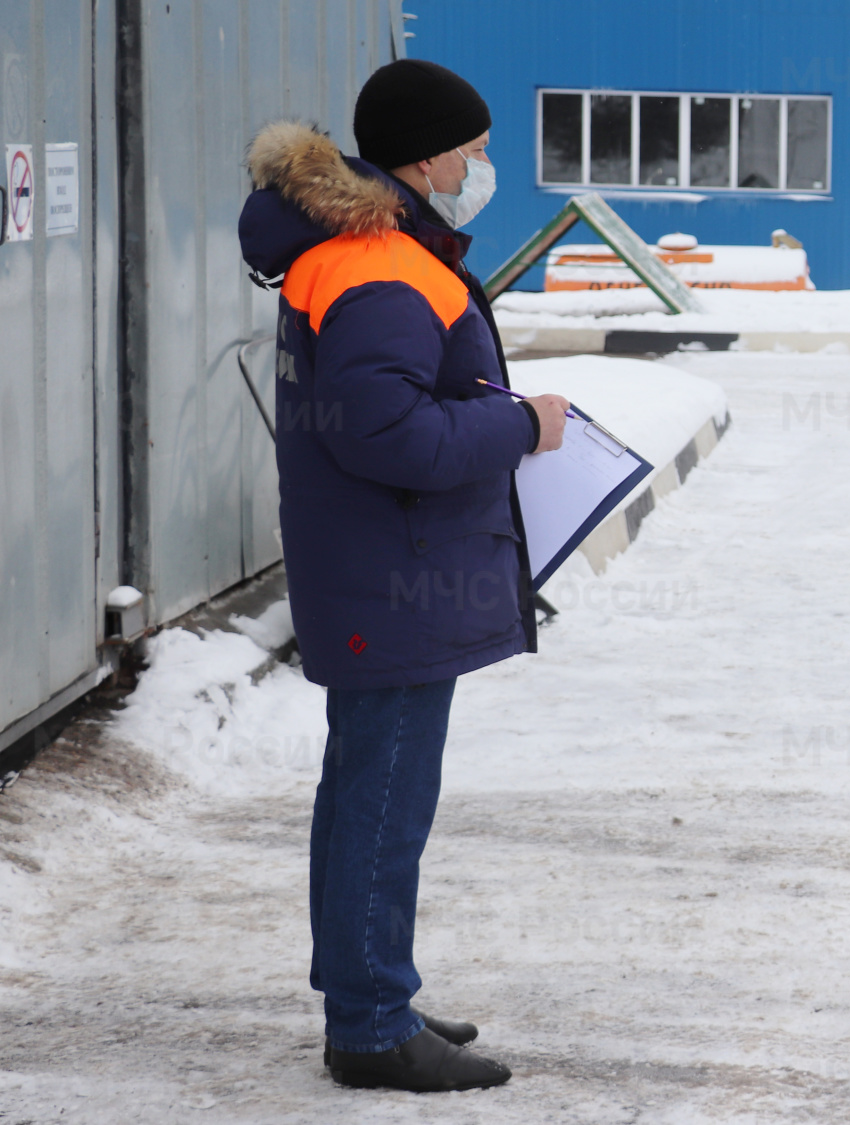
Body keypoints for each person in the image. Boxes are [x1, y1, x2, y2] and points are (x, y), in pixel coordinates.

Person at [238, 58, 571, 1092]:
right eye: (472, 150)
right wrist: (519, 423)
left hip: (382, 564)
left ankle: (368, 985)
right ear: (426, 158)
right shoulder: (380, 265)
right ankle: (372, 1023)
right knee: (383, 796)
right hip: (397, 571)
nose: (483, 166)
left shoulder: (366, 251)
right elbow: (386, 433)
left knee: (364, 788)